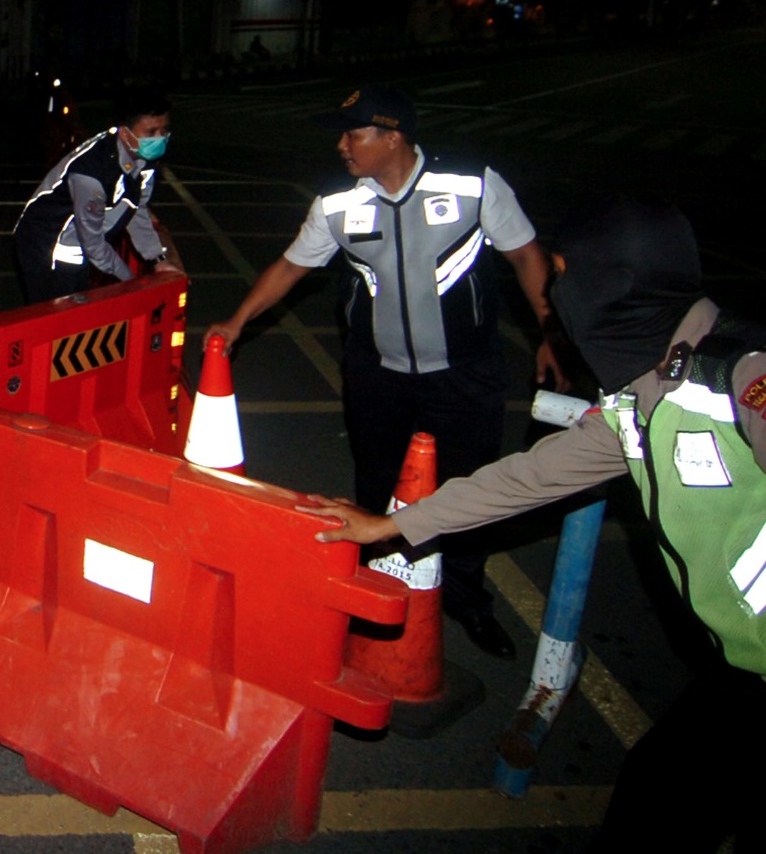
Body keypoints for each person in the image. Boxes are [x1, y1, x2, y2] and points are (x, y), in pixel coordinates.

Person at [301, 197, 763, 852]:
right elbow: (528, 478)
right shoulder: (642, 395)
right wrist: (386, 527)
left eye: (564, 276)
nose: (553, 297)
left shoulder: (741, 375)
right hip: (742, 670)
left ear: (612, 281)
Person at [206, 84, 563, 660]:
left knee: (468, 486)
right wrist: (239, 320)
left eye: (354, 133)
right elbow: (293, 266)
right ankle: (373, 591)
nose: (342, 145)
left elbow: (525, 254)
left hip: (465, 371)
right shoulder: (338, 204)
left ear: (392, 136)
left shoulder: (472, 185)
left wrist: (552, 335)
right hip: (379, 375)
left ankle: (467, 598)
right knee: (375, 485)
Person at [12, 89, 184, 303]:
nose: (159, 138)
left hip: (79, 240)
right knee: (54, 316)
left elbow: (135, 209)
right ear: (124, 133)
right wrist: (128, 280)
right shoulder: (92, 172)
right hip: (47, 242)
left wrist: (157, 259)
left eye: (164, 130)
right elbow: (92, 243)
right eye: (151, 132)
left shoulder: (142, 157)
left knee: (77, 311)